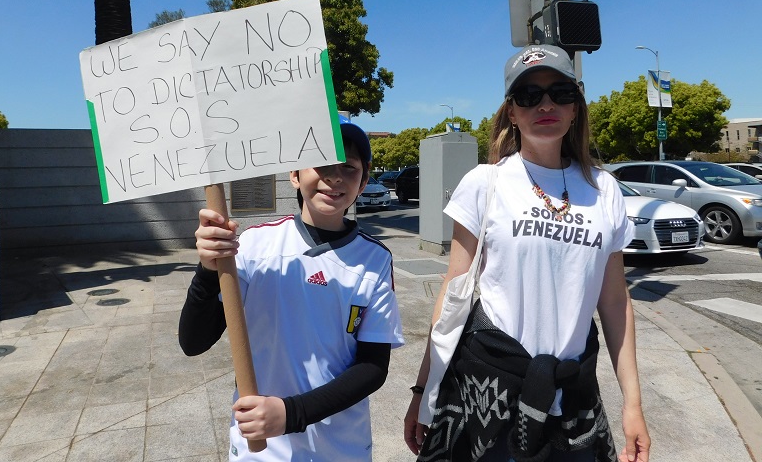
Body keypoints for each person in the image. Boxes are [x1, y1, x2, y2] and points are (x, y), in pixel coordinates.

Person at [403, 44, 650, 462]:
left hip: (574, 400)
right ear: (512, 113)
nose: (546, 104)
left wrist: (633, 405)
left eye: (560, 92)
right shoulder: (486, 182)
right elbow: (454, 294)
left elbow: (614, 301)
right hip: (492, 397)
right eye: (529, 96)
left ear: (576, 107)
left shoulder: (604, 189)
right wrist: (424, 390)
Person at [179, 115, 404, 461]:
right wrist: (208, 271)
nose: (334, 177)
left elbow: (373, 367)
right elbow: (193, 341)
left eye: (349, 167)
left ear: (364, 181)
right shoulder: (253, 247)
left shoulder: (375, 260)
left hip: (341, 447)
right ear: (295, 174)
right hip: (263, 451)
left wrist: (290, 414)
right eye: (321, 162)